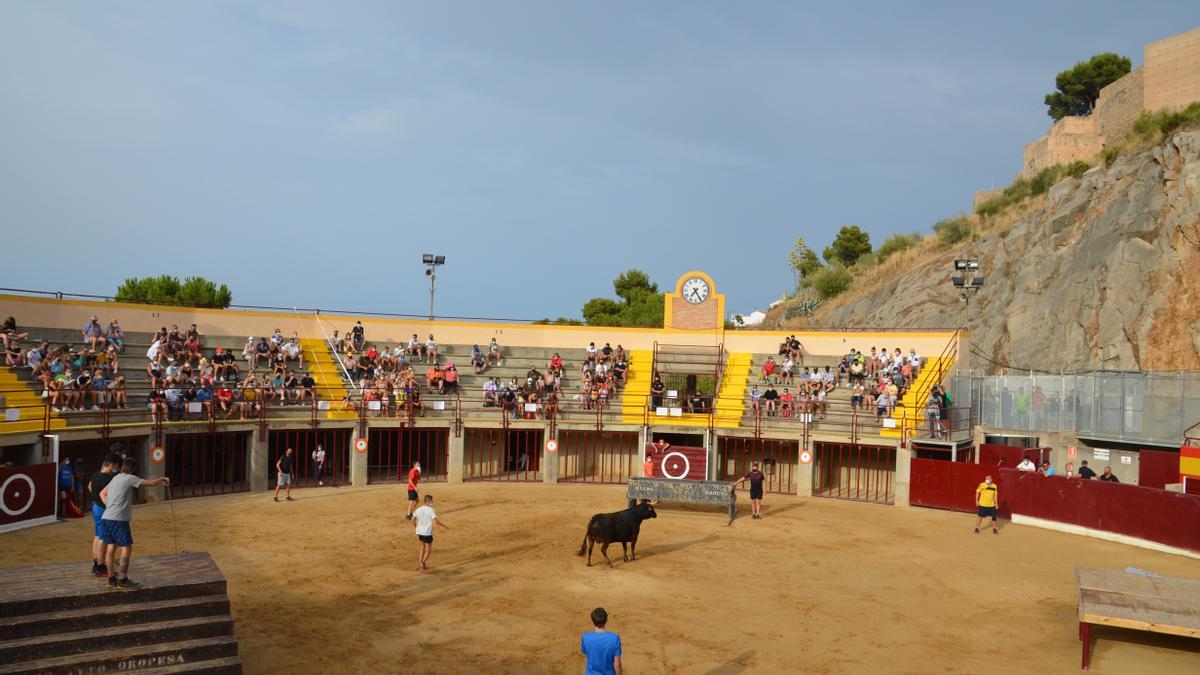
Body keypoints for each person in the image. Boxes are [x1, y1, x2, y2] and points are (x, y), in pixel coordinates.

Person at [99, 458, 171, 589]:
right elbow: (150, 483)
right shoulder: (130, 478)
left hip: (106, 518)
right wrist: (162, 479)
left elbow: (102, 493)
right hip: (119, 519)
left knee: (111, 548)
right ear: (133, 469)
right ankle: (123, 578)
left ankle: (111, 578)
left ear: (121, 468)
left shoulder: (115, 478)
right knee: (126, 548)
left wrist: (109, 505)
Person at [87, 454, 120, 577]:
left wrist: (96, 496)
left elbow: (89, 486)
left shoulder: (96, 475)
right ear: (112, 465)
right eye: (116, 466)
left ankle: (96, 563)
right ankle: (100, 567)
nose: (117, 468)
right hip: (103, 510)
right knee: (103, 538)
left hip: (95, 507)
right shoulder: (108, 479)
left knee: (97, 536)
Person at [580, 607, 622, 675]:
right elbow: (617, 664)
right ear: (606, 620)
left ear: (593, 621)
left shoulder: (585, 638)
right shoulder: (615, 638)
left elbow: (588, 656)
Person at [412, 494, 448, 573]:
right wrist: (444, 526)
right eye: (431, 501)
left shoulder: (418, 509)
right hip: (427, 532)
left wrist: (416, 528)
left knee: (422, 546)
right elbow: (436, 522)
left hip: (420, 532)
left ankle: (419, 562)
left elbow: (412, 520)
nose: (432, 502)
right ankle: (422, 563)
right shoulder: (431, 510)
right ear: (428, 501)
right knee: (428, 550)